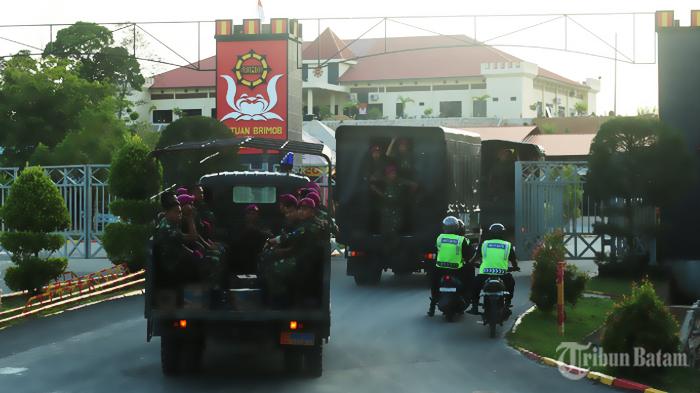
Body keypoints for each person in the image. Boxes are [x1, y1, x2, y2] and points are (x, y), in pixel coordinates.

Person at [153, 198, 204, 294]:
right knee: (208, 264)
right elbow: (193, 237)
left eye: (180, 212)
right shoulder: (167, 228)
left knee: (200, 259)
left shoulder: (170, 223)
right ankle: (196, 296)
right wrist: (190, 218)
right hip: (171, 265)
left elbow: (179, 244)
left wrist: (192, 253)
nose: (179, 215)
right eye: (176, 212)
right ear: (167, 212)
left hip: (174, 259)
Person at [427, 216, 474, 317]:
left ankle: (432, 306)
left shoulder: (440, 238)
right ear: (457, 227)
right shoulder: (461, 240)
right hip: (457, 270)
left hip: (440, 269)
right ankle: (470, 297)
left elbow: (435, 250)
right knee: (470, 276)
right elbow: (468, 255)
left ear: (444, 227)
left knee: (433, 282)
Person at [468, 223, 519, 315]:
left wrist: (471, 264)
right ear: (503, 233)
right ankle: (507, 304)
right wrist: (515, 268)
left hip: (484, 274)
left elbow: (475, 258)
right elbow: (514, 260)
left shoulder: (484, 244)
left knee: (475, 286)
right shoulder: (508, 245)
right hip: (503, 274)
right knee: (511, 284)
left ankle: (474, 307)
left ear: (490, 233)